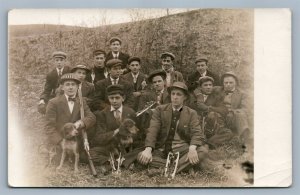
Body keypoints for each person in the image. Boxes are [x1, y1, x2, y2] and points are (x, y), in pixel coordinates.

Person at [128, 82, 208, 174]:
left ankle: (164, 169)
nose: (175, 97)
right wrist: (148, 149)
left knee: (203, 151)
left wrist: (192, 149)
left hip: (182, 150)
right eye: (173, 94)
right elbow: (153, 130)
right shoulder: (160, 110)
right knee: (141, 156)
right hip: (163, 149)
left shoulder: (191, 113)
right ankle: (181, 167)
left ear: (185, 97)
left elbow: (197, 133)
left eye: (179, 94)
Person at [44, 73, 96, 162]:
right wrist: (61, 141)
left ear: (77, 87)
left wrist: (81, 122)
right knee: (56, 159)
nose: (70, 87)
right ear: (62, 87)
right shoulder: (53, 102)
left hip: (76, 140)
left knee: (86, 158)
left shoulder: (81, 101)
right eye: (67, 84)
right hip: (61, 139)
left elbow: (91, 117)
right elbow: (49, 127)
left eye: (73, 84)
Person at [89, 84, 137, 173]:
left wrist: (130, 139)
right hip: (110, 147)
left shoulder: (130, 112)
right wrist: (116, 131)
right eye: (111, 98)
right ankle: (120, 161)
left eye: (117, 98)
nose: (114, 101)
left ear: (123, 98)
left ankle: (116, 162)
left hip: (127, 147)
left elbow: (137, 132)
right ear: (108, 98)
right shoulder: (102, 114)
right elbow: (99, 137)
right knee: (90, 153)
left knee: (141, 148)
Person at [188, 76, 233, 148]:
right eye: (205, 85)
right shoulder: (194, 96)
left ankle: (209, 143)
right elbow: (192, 108)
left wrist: (209, 108)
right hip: (196, 125)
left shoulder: (216, 97)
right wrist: (200, 98)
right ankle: (200, 141)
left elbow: (224, 110)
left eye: (210, 85)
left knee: (228, 133)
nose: (208, 87)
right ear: (200, 87)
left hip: (211, 127)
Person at [220, 72, 251, 142]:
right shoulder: (217, 90)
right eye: (226, 83)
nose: (228, 85)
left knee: (240, 113)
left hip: (233, 117)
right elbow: (202, 88)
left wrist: (232, 112)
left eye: (231, 82)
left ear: (235, 83)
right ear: (223, 83)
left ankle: (244, 136)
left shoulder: (242, 94)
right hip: (220, 117)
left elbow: (245, 109)